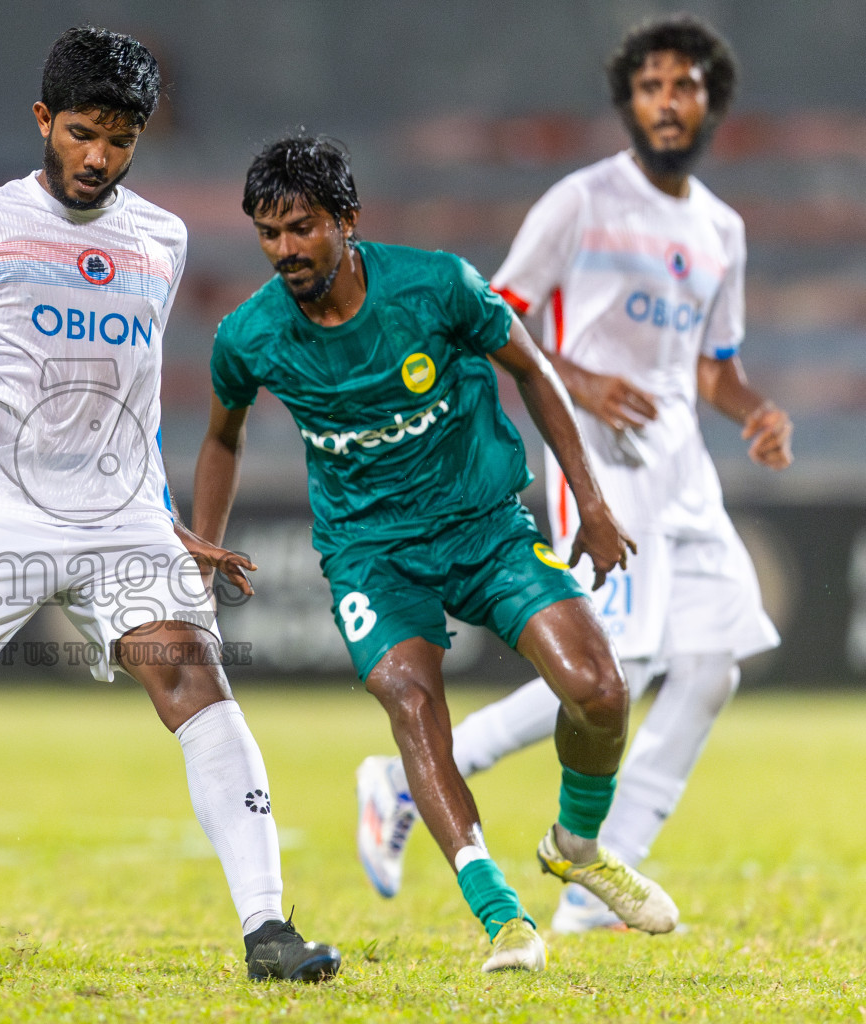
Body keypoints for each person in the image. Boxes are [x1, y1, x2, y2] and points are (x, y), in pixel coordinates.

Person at [0, 27, 340, 983]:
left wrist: (165, 521)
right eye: (82, 133)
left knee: (192, 677)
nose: (99, 156)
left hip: (122, 522)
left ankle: (268, 929)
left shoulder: (162, 237)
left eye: (121, 139)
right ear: (43, 121)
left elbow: (136, 397)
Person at [193, 133, 680, 973]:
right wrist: (205, 542)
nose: (285, 251)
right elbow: (221, 436)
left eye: (301, 228)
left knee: (600, 691)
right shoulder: (250, 337)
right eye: (268, 234)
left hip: (485, 525)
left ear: (347, 219)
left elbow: (534, 372)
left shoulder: (438, 286)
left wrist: (592, 504)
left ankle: (575, 843)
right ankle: (502, 918)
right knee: (413, 705)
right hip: (370, 554)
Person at [355, 14, 793, 933]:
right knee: (618, 659)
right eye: (650, 87)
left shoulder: (723, 227)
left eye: (684, 87)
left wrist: (752, 409)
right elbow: (496, 314)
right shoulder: (581, 201)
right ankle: (403, 781)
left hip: (683, 462)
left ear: (711, 101)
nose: (667, 103)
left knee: (712, 666)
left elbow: (713, 362)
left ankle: (595, 887)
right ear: (628, 101)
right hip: (599, 459)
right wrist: (582, 379)